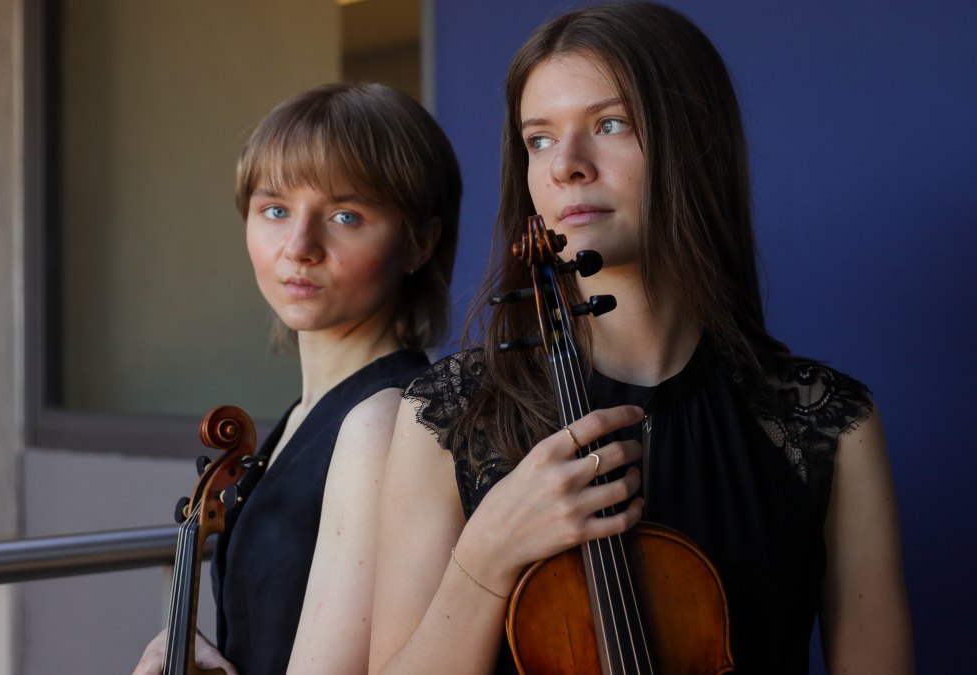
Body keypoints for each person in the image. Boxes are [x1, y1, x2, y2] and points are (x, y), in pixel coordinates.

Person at [368, 3, 913, 674]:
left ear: (693, 141)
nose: (566, 164)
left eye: (610, 124)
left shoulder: (826, 424)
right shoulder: (449, 415)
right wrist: (485, 555)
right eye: (538, 138)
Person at [132, 82, 461, 675]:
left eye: (345, 215)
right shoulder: (300, 420)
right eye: (275, 210)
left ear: (418, 243)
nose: (300, 246)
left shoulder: (385, 421)